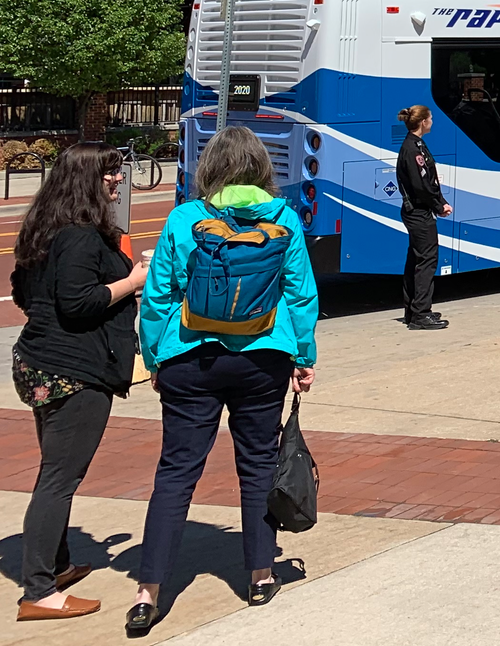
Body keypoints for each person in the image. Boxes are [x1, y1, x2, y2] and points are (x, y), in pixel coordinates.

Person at [130, 127, 319, 632]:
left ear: (208, 168)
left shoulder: (185, 218)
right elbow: (300, 296)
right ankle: (259, 574)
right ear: (261, 168)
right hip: (263, 357)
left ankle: (149, 591)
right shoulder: (284, 220)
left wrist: (155, 357)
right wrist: (304, 357)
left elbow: (159, 296)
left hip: (189, 357)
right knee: (258, 465)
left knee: (175, 473)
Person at [12, 146, 146, 622]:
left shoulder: (43, 228)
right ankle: (39, 592)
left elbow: (21, 292)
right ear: (89, 180)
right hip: (73, 372)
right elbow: (79, 303)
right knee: (59, 480)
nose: (118, 179)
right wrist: (134, 280)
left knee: (55, 470)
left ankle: (58, 564)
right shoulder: (82, 237)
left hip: (36, 362)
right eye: (110, 172)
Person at [395, 105, 450, 330]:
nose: (433, 121)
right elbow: (422, 186)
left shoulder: (415, 144)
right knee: (426, 261)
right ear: (423, 122)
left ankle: (413, 309)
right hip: (418, 213)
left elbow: (429, 181)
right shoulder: (412, 149)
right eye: (431, 118)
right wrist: (439, 205)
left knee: (416, 259)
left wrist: (439, 201)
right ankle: (420, 314)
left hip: (417, 211)